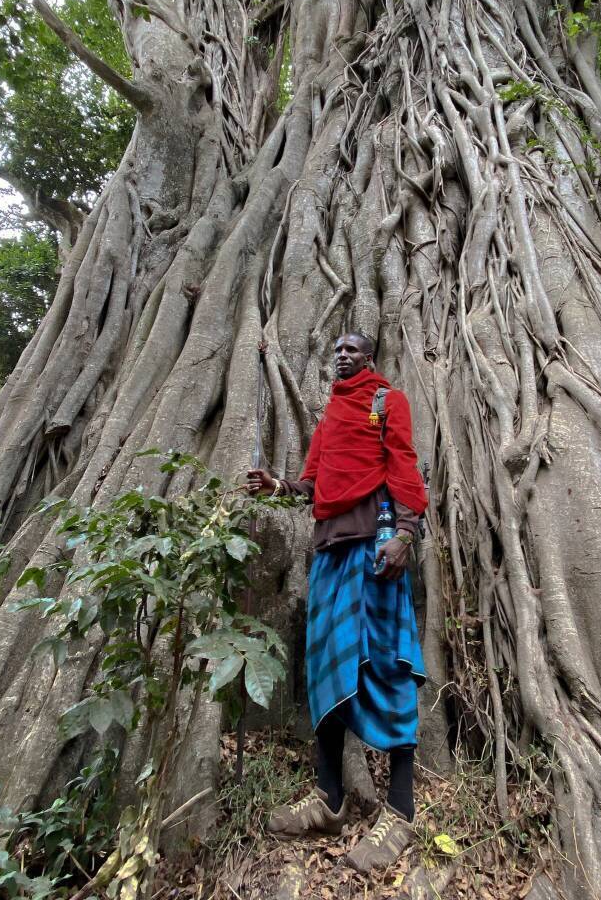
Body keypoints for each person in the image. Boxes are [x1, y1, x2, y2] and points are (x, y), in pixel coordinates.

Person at [247, 331, 428, 872]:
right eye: (338, 349)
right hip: (327, 553)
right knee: (325, 667)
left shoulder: (385, 401)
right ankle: (329, 801)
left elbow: (402, 462)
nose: (342, 355)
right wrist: (279, 487)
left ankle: (400, 812)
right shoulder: (328, 418)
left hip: (375, 546)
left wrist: (407, 533)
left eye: (352, 350)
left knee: (387, 666)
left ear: (369, 358)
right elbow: (312, 482)